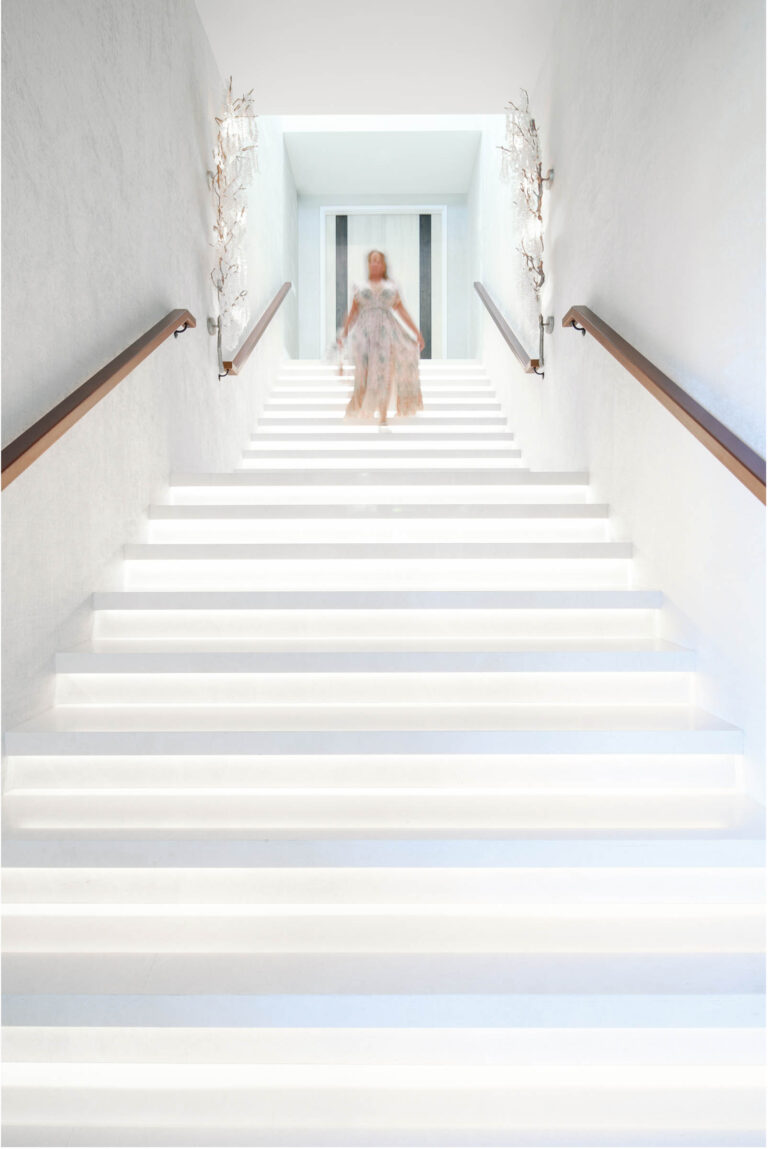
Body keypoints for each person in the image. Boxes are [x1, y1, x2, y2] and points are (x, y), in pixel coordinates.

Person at [338, 250, 425, 424]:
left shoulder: (391, 287)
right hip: (364, 334)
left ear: (383, 264)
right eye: (372, 261)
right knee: (364, 372)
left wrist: (416, 332)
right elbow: (353, 312)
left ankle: (383, 414)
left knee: (384, 372)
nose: (375, 264)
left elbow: (401, 310)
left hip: (387, 332)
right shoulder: (359, 286)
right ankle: (361, 407)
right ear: (368, 264)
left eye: (378, 261)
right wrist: (344, 332)